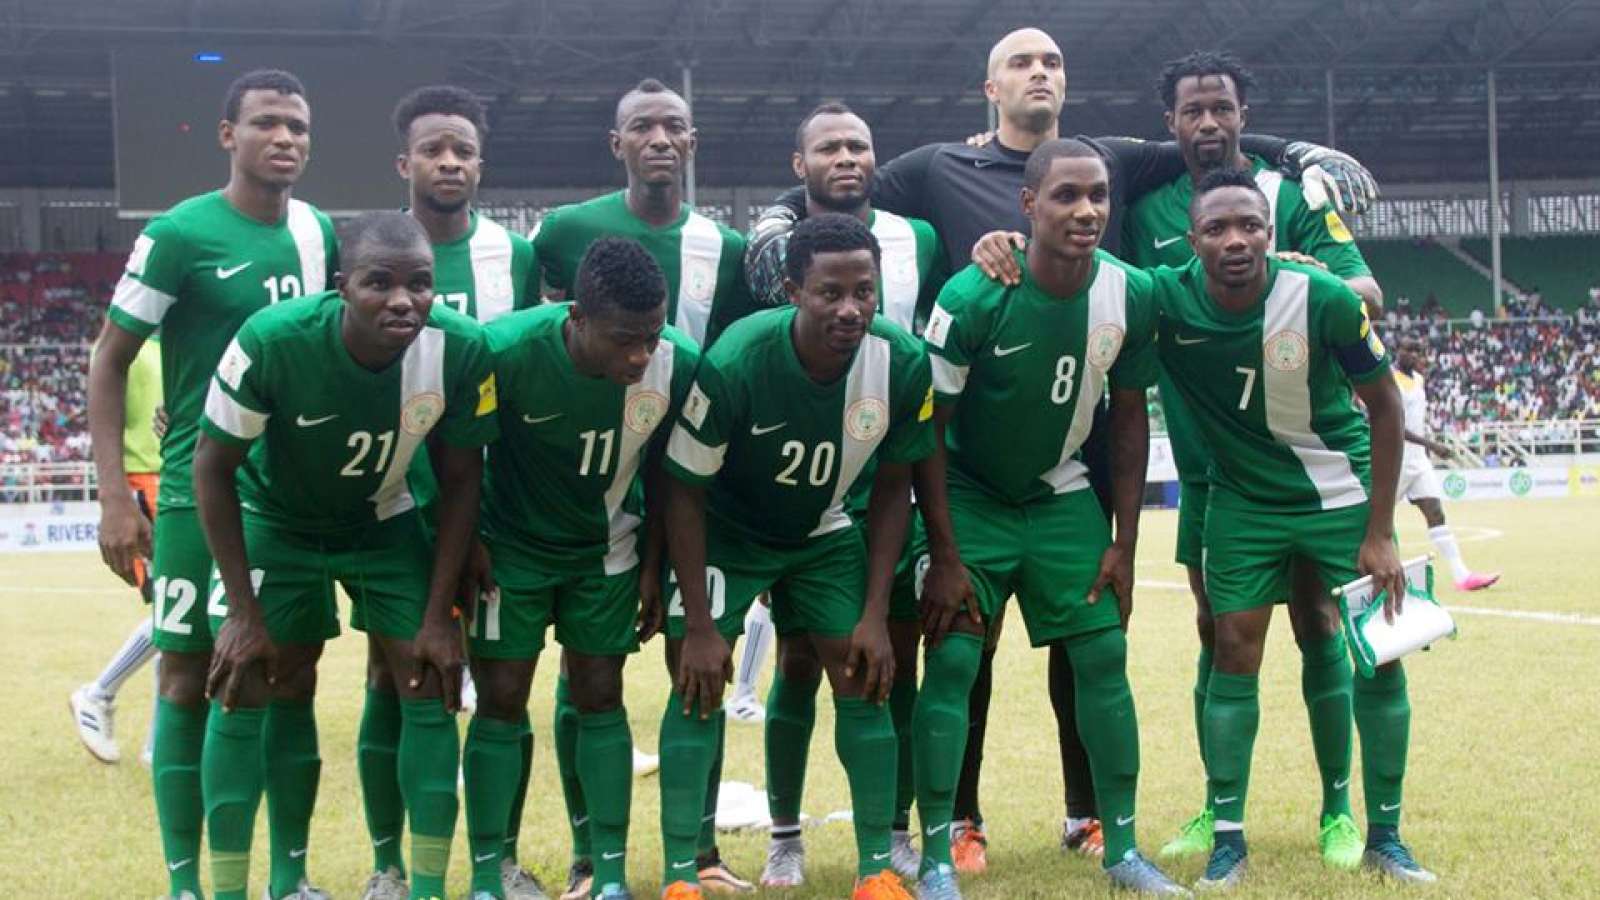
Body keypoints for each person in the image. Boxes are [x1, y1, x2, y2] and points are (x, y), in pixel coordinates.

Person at [759, 28, 1379, 867]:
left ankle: (1092, 820)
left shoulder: (1111, 161)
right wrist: (776, 215)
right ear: (991, 89)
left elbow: (1210, 142)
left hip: (1072, 464)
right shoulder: (940, 169)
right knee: (960, 651)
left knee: (1090, 644)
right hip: (971, 465)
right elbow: (842, 178)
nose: (1039, 73)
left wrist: (1295, 153)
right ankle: (954, 827)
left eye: (1051, 61)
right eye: (1021, 63)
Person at [1114, 50, 1379, 866]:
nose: (1208, 123)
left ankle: (1339, 810)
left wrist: (1302, 270)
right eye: (1192, 111)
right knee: (1218, 631)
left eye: (1221, 108)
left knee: (1317, 620)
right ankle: (1215, 809)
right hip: (1209, 466)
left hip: (1297, 457)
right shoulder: (1144, 206)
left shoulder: (1288, 196)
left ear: (1243, 115)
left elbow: (1364, 293)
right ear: (1170, 122)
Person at [193, 211, 497, 900]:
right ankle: (262, 883)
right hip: (276, 521)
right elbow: (210, 467)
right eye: (379, 282)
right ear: (341, 286)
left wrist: (438, 616)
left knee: (428, 677)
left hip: (384, 521)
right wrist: (241, 612)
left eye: (420, 283)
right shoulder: (273, 340)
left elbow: (461, 481)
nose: (403, 300)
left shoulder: (460, 348)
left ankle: (423, 888)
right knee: (250, 681)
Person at [87, 68, 337, 900]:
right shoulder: (179, 234)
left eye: (297, 126)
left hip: (292, 497)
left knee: (290, 677)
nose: (285, 138)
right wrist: (115, 496)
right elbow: (110, 359)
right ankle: (187, 884)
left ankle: (289, 877)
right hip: (201, 491)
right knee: (188, 679)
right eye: (267, 123)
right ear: (229, 135)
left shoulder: (318, 233)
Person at [1151, 169, 1435, 889]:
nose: (1235, 240)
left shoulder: (1323, 297)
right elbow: (1086, 280)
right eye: (1217, 228)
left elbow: (1385, 407)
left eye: (1250, 225)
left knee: (1379, 651)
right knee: (1231, 647)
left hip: (1338, 492)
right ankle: (1227, 839)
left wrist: (1382, 532)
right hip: (1243, 500)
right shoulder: (1164, 297)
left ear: (1271, 234)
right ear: (1192, 240)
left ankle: (1385, 836)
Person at [914, 138, 1183, 898]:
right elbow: (929, 430)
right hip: (970, 495)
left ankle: (1121, 847)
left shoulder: (1130, 293)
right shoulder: (973, 295)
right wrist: (943, 551)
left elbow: (1128, 420)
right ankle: (938, 857)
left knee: (1103, 655)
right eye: (1066, 195)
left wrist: (1124, 543)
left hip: (1060, 493)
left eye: (1098, 195)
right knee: (955, 660)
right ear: (1028, 205)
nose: (1086, 210)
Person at [660, 213, 933, 900]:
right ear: (792, 291)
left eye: (864, 291)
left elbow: (894, 489)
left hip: (822, 530)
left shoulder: (900, 360)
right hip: (728, 531)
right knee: (696, 681)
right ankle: (681, 875)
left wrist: (876, 613)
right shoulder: (738, 357)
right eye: (829, 293)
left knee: (863, 673)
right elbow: (685, 490)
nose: (850, 309)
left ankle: (875, 869)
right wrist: (700, 624)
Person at [736, 101, 948, 887]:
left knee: (891, 654)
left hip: (887, 463)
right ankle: (785, 836)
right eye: (829, 147)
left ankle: (891, 829)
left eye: (859, 144)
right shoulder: (777, 248)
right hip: (806, 477)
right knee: (797, 658)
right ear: (801, 165)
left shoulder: (917, 237)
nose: (847, 157)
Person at [459, 236, 699, 900]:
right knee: (501, 698)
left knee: (600, 692)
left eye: (651, 336)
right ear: (577, 317)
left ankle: (606, 872)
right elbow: (458, 457)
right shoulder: (503, 351)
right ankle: (491, 872)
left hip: (608, 550)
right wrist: (468, 545)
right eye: (624, 339)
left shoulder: (678, 363)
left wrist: (652, 562)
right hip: (511, 552)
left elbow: (669, 475)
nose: (641, 355)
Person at [351, 83, 544, 900]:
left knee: (504, 682)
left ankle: (499, 859)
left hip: (490, 504)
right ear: (404, 162)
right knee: (390, 674)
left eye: (463, 149)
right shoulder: (372, 253)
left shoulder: (516, 256)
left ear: (481, 164)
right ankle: (389, 864)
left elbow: (519, 379)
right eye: (433, 149)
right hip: (396, 504)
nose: (449, 162)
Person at [532, 78, 750, 347]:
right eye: (642, 127)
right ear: (617, 144)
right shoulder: (565, 229)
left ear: (691, 144)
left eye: (674, 127)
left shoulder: (727, 247)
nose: (661, 140)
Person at [71, 337, 163, 765]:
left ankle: (158, 742)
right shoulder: (130, 342)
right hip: (148, 482)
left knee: (183, 612)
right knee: (178, 610)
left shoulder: (174, 340)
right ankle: (99, 694)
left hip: (176, 479)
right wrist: (118, 496)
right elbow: (106, 413)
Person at [1394, 336, 1500, 590]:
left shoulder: (1418, 379)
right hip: (1394, 458)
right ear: (1397, 350)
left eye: (1418, 351)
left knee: (1435, 512)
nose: (1414, 355)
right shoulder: (1388, 378)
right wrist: (1433, 445)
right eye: (1409, 349)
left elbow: (1415, 419)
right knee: (1375, 519)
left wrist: (1426, 449)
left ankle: (1462, 576)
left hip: (1418, 460)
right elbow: (1393, 425)